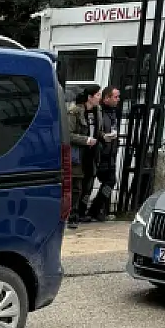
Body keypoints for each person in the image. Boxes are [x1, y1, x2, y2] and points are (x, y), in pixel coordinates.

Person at [68, 85, 102, 228]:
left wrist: (103, 137)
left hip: (92, 153)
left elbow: (97, 131)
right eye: (98, 95)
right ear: (90, 97)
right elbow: (68, 134)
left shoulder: (97, 111)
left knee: (88, 184)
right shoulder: (75, 111)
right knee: (76, 186)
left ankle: (82, 212)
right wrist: (85, 140)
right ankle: (72, 215)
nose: (99, 98)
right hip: (78, 154)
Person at [86, 86, 121, 221]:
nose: (118, 99)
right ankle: (91, 210)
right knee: (93, 183)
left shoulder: (113, 112)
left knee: (110, 181)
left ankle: (98, 209)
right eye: (115, 97)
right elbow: (96, 131)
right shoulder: (99, 112)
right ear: (107, 98)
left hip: (110, 153)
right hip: (100, 153)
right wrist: (104, 137)